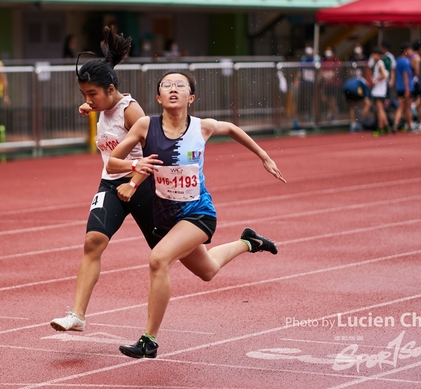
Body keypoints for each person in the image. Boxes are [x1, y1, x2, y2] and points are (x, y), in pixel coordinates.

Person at [107, 71, 286, 358]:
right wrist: (134, 168)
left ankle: (149, 341)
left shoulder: (202, 127)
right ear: (158, 98)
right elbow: (113, 162)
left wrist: (264, 156)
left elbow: (232, 128)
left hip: (198, 213)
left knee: (158, 259)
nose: (173, 89)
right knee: (208, 270)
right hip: (166, 218)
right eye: (166, 85)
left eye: (180, 85)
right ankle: (250, 242)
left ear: (191, 98)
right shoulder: (144, 126)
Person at [49, 26, 161, 332]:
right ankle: (77, 315)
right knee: (93, 242)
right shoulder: (102, 104)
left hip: (141, 184)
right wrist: (90, 104)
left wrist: (133, 184)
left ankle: (245, 243)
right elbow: (100, 108)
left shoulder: (132, 113)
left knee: (190, 260)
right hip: (111, 184)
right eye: (83, 95)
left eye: (92, 94)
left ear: (111, 89)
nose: (87, 100)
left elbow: (155, 155)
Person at [392, 42, 415, 133]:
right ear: (405, 50)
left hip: (399, 87)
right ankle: (409, 127)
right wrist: (407, 88)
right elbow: (405, 75)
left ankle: (395, 125)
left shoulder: (397, 60)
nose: (411, 52)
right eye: (409, 50)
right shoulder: (405, 62)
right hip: (406, 87)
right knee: (408, 108)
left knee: (400, 107)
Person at [293, 45, 317, 128]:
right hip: (305, 83)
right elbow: (299, 71)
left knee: (314, 99)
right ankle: (308, 114)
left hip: (313, 83)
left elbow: (318, 70)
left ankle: (314, 115)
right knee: (307, 99)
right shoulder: (303, 59)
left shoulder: (315, 59)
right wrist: (297, 80)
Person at [368, 47, 389, 135]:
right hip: (380, 89)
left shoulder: (379, 63)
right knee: (381, 109)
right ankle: (386, 126)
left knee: (379, 110)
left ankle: (380, 128)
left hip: (379, 90)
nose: (373, 56)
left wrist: (375, 80)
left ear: (378, 55)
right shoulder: (378, 63)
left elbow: (384, 76)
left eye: (374, 54)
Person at [319, 46, 341, 121]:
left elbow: (337, 71)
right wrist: (325, 77)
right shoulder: (323, 60)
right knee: (324, 98)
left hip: (334, 83)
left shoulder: (335, 60)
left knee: (332, 98)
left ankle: (332, 114)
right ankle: (333, 108)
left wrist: (331, 78)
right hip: (325, 83)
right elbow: (321, 71)